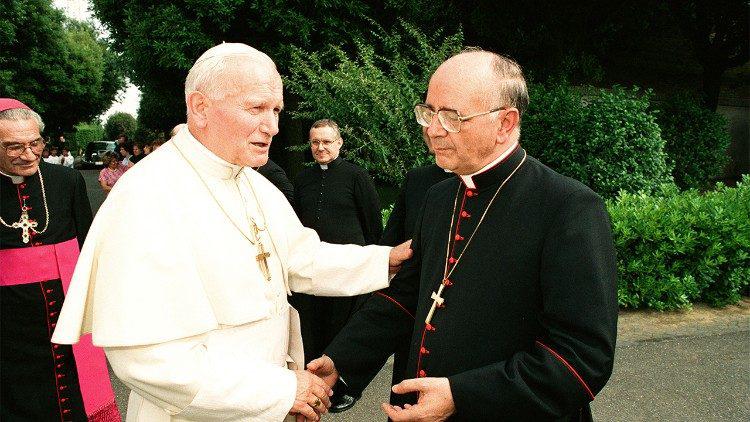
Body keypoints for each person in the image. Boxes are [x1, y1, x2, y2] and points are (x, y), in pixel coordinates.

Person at [51, 42, 412, 422]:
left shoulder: (252, 183)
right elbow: (147, 359)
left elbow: (301, 258)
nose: (272, 126)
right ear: (200, 107)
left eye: (276, 111)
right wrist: (282, 390)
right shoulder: (146, 193)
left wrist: (386, 260)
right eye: (256, 108)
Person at [309, 50, 618, 421]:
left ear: (505, 123)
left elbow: (581, 358)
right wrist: (342, 359)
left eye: (451, 117)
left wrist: (462, 395)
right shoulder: (439, 197)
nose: (432, 130)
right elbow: (407, 296)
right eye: (429, 112)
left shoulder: (568, 207)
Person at [0, 98, 120, 421]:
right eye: (14, 147)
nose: (29, 154)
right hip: (8, 328)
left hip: (65, 318)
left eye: (35, 143)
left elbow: (87, 247)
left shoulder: (66, 181)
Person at [290, 118, 383, 412]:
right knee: (313, 329)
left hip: (348, 270)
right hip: (313, 269)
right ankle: (313, 389)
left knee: (343, 330)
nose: (321, 147)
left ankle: (344, 388)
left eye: (327, 141)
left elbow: (372, 223)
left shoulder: (356, 176)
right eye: (315, 142)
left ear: (339, 143)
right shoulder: (302, 179)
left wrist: (370, 263)